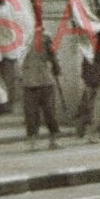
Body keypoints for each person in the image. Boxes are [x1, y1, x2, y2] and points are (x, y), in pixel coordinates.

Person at [19, 21, 61, 151]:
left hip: (29, 80)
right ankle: (53, 140)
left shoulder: (22, 39)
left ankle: (33, 141)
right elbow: (53, 56)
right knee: (49, 111)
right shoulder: (45, 37)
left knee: (31, 112)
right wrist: (57, 70)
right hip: (44, 80)